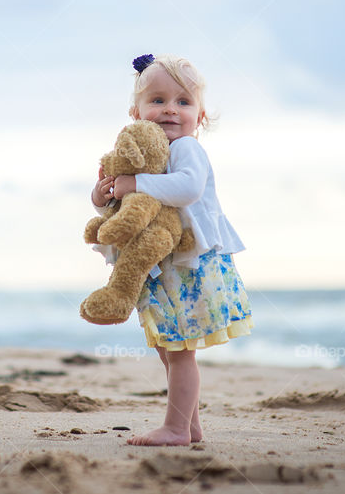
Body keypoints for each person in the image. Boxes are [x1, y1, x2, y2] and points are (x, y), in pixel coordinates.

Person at [90, 53, 253, 446]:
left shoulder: (186, 150)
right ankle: (190, 426)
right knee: (169, 349)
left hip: (190, 265)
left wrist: (135, 184)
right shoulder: (144, 154)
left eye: (183, 102)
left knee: (180, 354)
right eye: (157, 100)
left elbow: (187, 189)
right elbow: (123, 205)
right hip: (164, 266)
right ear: (136, 112)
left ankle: (177, 428)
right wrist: (102, 195)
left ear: (199, 117)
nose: (169, 110)